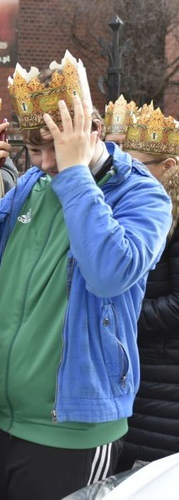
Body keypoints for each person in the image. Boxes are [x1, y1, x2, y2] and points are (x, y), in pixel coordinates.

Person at [0, 52, 173, 500]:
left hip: (73, 430)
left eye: (56, 146)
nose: (46, 161)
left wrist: (74, 173)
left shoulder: (143, 194)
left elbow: (110, 272)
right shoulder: (32, 184)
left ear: (93, 130)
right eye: (35, 149)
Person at [115, 109, 179, 471]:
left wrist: (122, 313)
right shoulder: (138, 208)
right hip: (142, 373)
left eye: (139, 165)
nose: (128, 172)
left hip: (165, 378)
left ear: (169, 165)